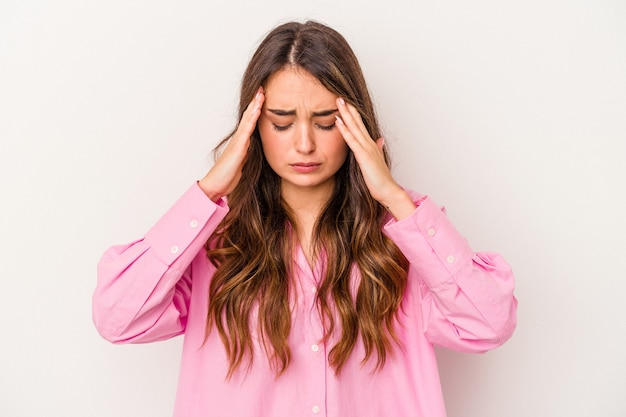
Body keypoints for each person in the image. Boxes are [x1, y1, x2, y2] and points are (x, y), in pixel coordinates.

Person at [93, 20, 517, 417]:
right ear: (253, 126)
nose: (304, 144)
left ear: (355, 124)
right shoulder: (213, 239)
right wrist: (207, 192)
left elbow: (488, 323)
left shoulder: (408, 235)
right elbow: (118, 318)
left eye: (326, 122)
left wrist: (391, 195)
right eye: (281, 122)